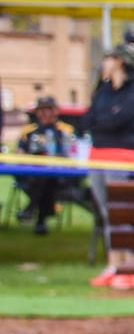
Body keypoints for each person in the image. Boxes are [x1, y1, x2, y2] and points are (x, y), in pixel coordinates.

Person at [13, 95, 78, 234]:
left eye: (48, 109)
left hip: (59, 176)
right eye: (41, 110)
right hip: (30, 174)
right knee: (41, 179)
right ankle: (41, 219)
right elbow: (19, 152)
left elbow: (72, 153)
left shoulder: (66, 130)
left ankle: (31, 210)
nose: (45, 113)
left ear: (56, 111)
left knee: (46, 179)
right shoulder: (29, 130)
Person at [81, 50, 134, 158]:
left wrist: (101, 119)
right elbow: (88, 119)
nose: (103, 64)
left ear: (119, 62)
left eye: (108, 60)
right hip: (97, 150)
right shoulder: (103, 90)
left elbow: (120, 118)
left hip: (123, 152)